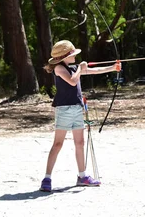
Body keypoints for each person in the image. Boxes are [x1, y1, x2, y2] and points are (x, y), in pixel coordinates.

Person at [39, 40, 121, 192]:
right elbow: (72, 81)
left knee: (80, 143)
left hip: (77, 108)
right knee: (58, 144)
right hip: (64, 109)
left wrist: (112, 67)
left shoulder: (75, 68)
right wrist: (81, 69)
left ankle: (82, 176)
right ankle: (47, 178)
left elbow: (94, 71)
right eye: (72, 54)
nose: (75, 56)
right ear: (63, 57)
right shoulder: (58, 68)